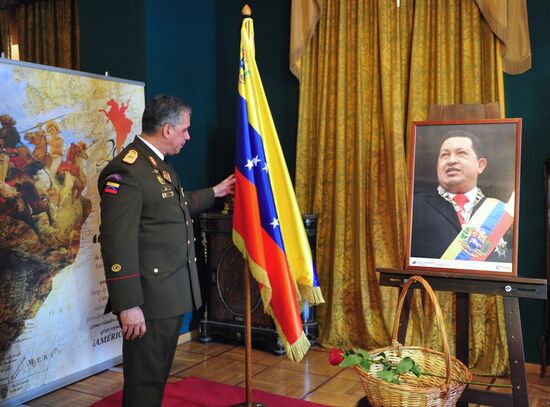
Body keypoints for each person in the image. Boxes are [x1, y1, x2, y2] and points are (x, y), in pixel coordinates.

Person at [98, 94, 235, 406]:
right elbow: (116, 240)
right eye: (185, 129)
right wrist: (128, 304)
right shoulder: (127, 171)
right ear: (167, 130)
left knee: (157, 374)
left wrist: (214, 192)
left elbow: (175, 207)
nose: (188, 136)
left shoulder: (159, 167)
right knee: (145, 380)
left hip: (169, 293)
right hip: (148, 299)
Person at [410, 130, 512, 262]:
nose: (451, 160)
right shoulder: (415, 205)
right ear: (437, 167)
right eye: (445, 155)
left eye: (461, 153)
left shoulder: (503, 212)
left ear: (480, 165)